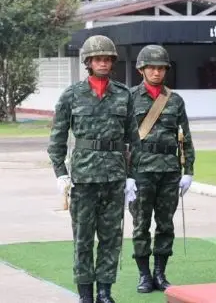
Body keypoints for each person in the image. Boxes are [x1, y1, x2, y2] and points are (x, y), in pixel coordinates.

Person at [48, 35, 140, 303]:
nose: (103, 63)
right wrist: (60, 173)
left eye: (107, 59)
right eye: (98, 59)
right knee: (84, 240)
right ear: (88, 62)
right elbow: (57, 139)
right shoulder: (71, 95)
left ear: (112, 62)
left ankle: (105, 292)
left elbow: (133, 140)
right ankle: (85, 294)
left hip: (114, 177)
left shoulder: (124, 95)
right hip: (83, 179)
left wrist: (131, 177)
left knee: (111, 238)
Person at [129, 45, 195, 293]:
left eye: (161, 68)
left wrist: (188, 169)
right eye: (152, 68)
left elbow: (185, 137)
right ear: (141, 70)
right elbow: (125, 138)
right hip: (141, 170)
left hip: (169, 171)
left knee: (166, 224)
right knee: (141, 224)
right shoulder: (130, 98)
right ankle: (144, 275)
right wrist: (127, 176)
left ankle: (160, 273)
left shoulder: (175, 100)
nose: (157, 72)